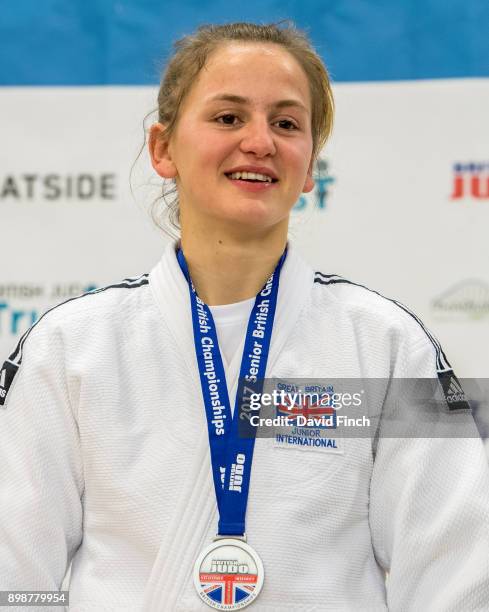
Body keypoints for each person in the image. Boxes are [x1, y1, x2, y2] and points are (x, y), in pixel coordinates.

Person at [1, 21, 488, 612]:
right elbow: (17, 578)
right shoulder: (69, 347)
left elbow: (455, 576)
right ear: (163, 149)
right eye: (228, 118)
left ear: (310, 167)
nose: (259, 142)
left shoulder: (387, 346)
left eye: (286, 124)